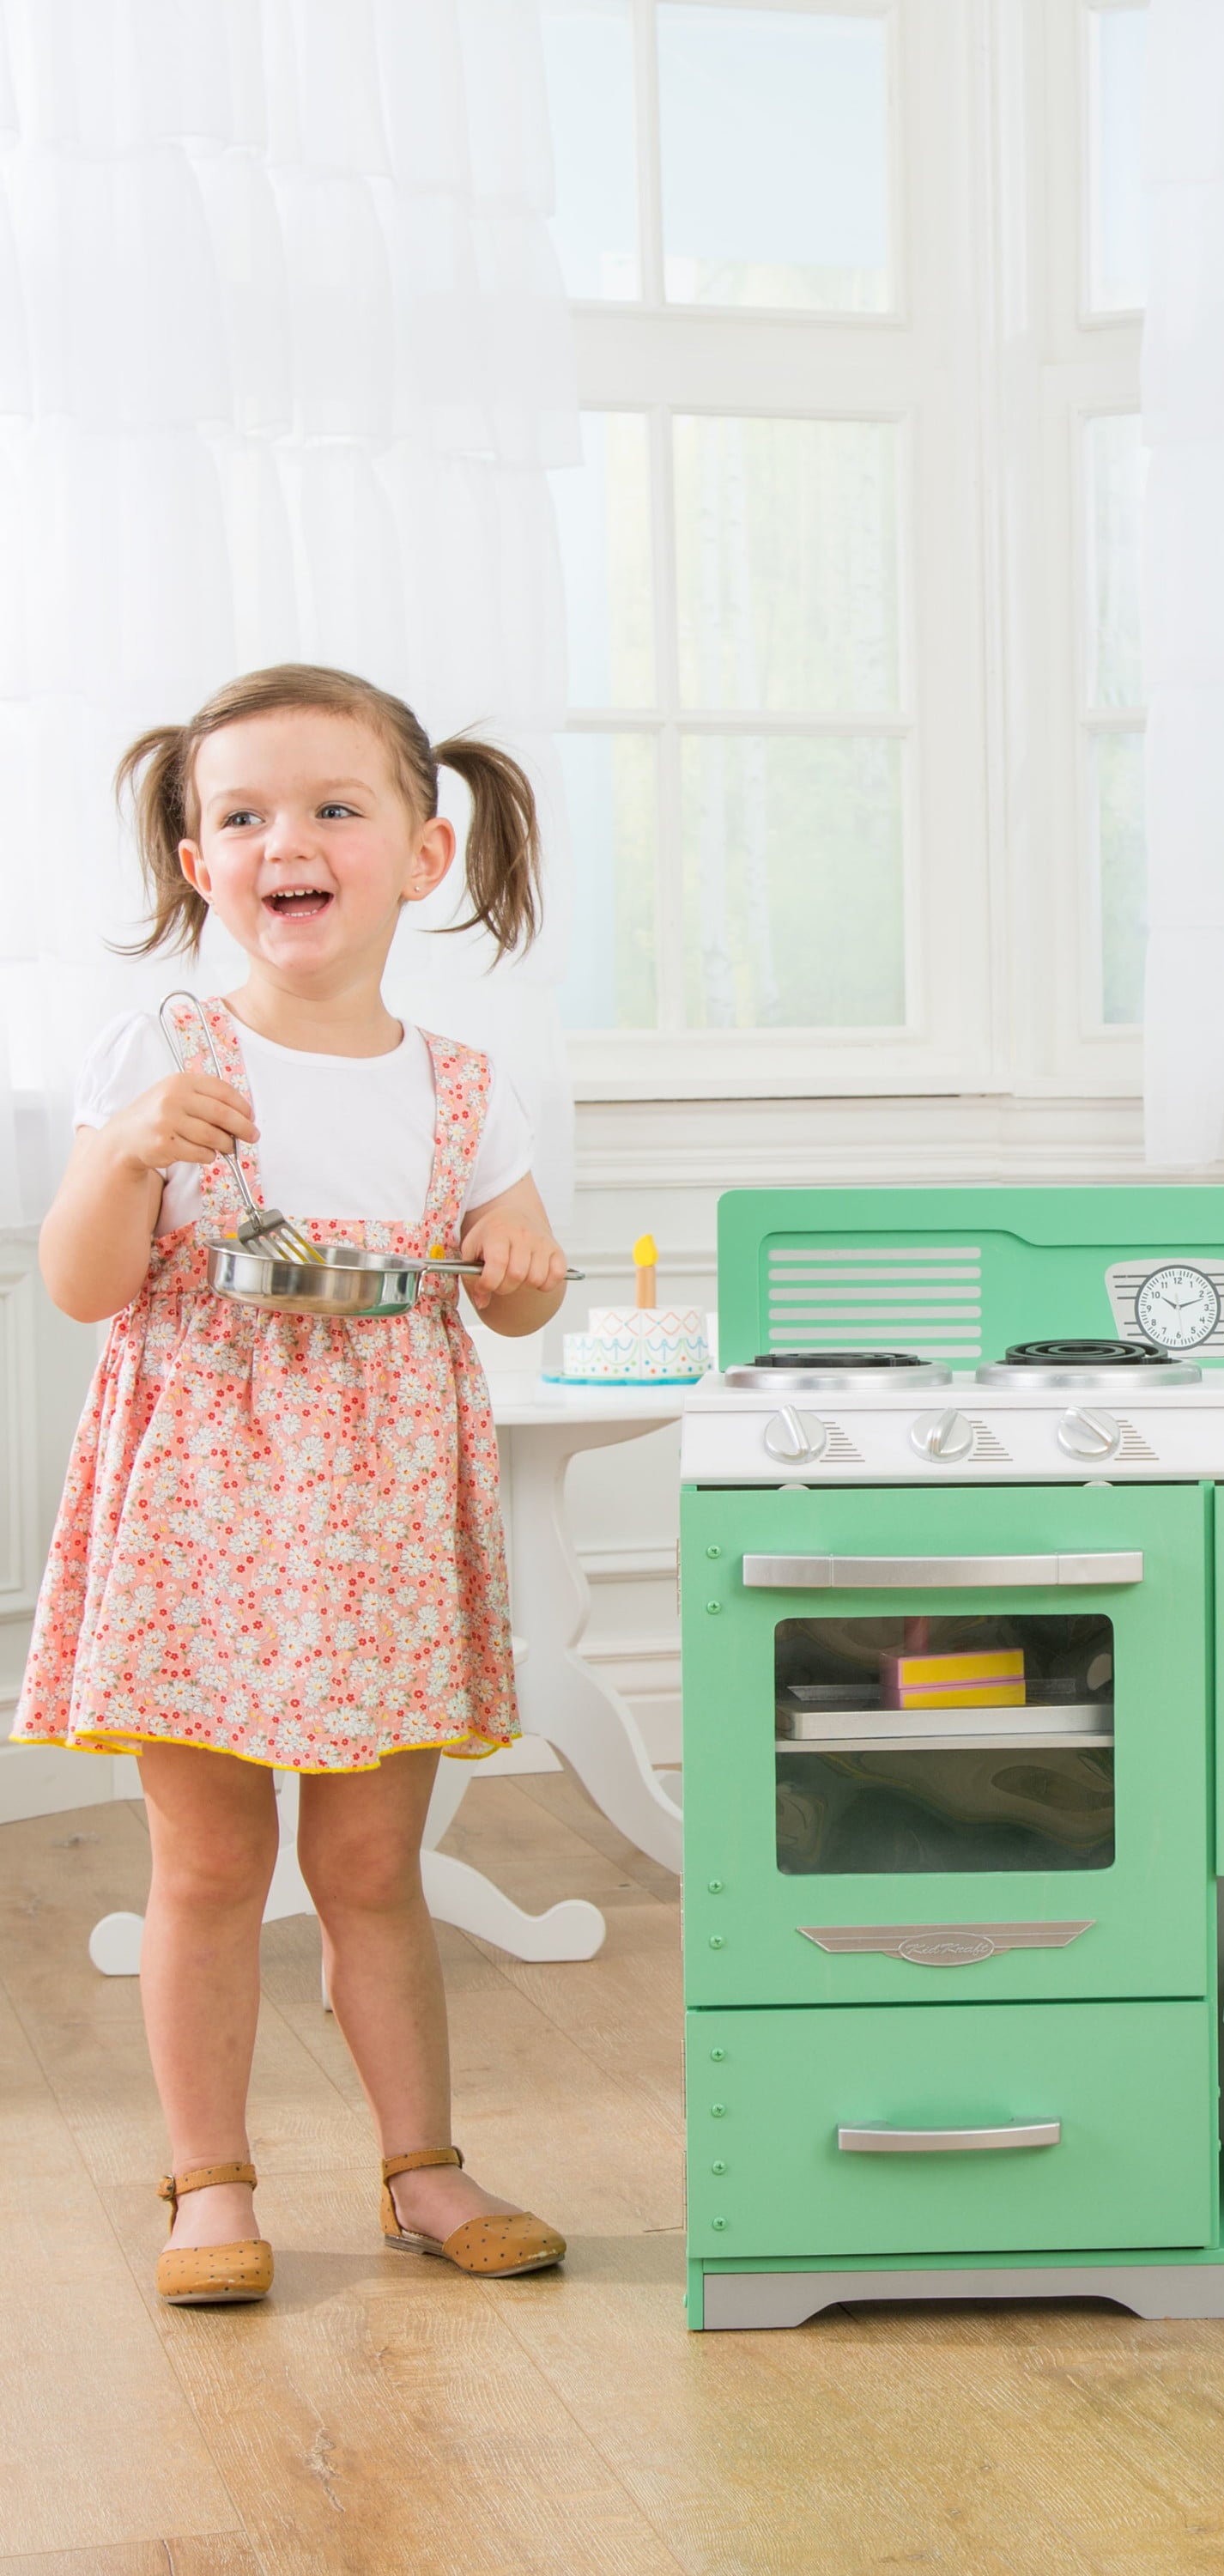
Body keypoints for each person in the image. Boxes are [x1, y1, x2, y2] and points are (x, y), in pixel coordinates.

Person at [15, 665, 573, 2304]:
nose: (290, 840)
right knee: (203, 1866)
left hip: (382, 1520)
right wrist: (125, 1155)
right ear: (201, 865)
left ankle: (423, 2169)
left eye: (336, 806)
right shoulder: (165, 1047)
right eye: (244, 815)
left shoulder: (464, 1086)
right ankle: (210, 2180)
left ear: (423, 849)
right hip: (202, 1507)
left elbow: (518, 1286)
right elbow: (83, 1289)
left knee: (369, 1870)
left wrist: (523, 1266)